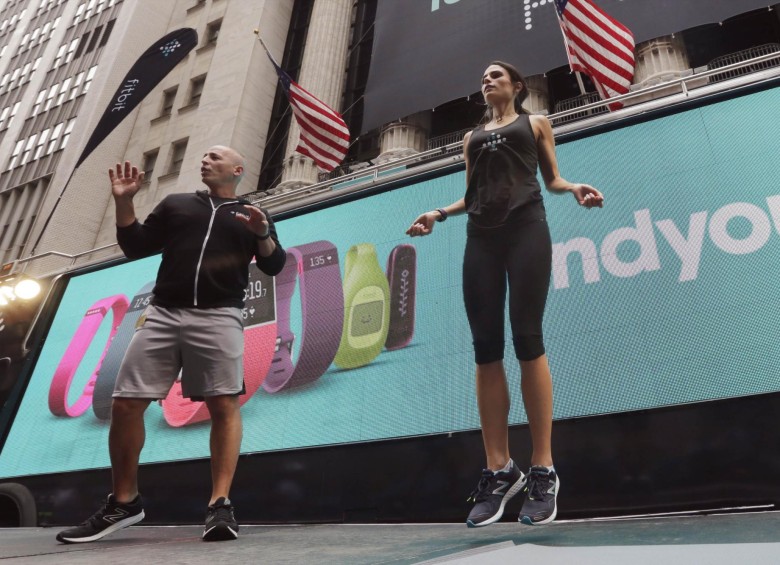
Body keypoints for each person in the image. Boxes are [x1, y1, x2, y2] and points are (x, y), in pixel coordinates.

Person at [407, 62, 603, 527]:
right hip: (481, 237)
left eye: (497, 74)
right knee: (485, 350)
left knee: (527, 338)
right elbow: (471, 192)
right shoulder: (470, 138)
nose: (487, 79)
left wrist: (574, 187)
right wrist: (437, 213)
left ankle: (543, 469)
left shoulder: (535, 122)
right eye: (483, 77)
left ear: (517, 85)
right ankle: (499, 469)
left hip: (526, 230)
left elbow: (551, 178)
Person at [56, 145, 286, 543]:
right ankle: (124, 503)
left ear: (237, 168)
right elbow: (136, 245)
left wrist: (263, 233)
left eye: (215, 157)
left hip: (220, 315)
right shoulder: (177, 204)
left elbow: (273, 264)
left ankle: (220, 505)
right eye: (203, 157)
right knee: (126, 402)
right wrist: (124, 203)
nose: (204, 160)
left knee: (222, 403)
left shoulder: (251, 214)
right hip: (163, 313)